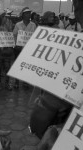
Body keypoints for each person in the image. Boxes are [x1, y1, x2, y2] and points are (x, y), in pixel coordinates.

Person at [29, 11, 73, 139]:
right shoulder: (42, 30)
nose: (53, 18)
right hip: (49, 73)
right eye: (50, 16)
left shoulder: (59, 29)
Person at [13, 7, 36, 88]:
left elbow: (35, 37)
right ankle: (16, 81)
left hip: (29, 49)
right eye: (27, 13)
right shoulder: (18, 24)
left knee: (27, 66)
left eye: (29, 13)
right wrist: (16, 45)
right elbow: (14, 35)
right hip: (19, 48)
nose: (29, 14)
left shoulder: (33, 25)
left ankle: (25, 82)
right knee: (17, 65)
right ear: (23, 15)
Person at [0, 12, 14, 90]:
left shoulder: (7, 27)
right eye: (4, 17)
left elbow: (11, 38)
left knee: (7, 67)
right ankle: (0, 83)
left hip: (7, 50)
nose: (6, 18)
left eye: (6, 17)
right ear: (0, 18)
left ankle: (7, 83)